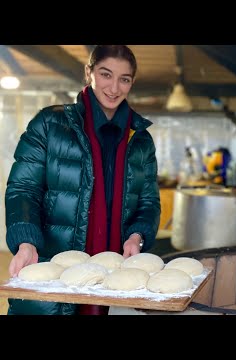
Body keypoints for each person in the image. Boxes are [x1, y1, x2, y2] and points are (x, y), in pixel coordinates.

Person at [5, 45, 161, 315]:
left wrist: (137, 236)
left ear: (131, 82)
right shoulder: (49, 124)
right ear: (88, 72)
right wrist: (26, 241)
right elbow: (23, 189)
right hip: (53, 269)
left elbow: (148, 202)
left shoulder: (141, 140)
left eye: (124, 79)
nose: (114, 87)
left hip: (114, 278)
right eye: (105, 74)